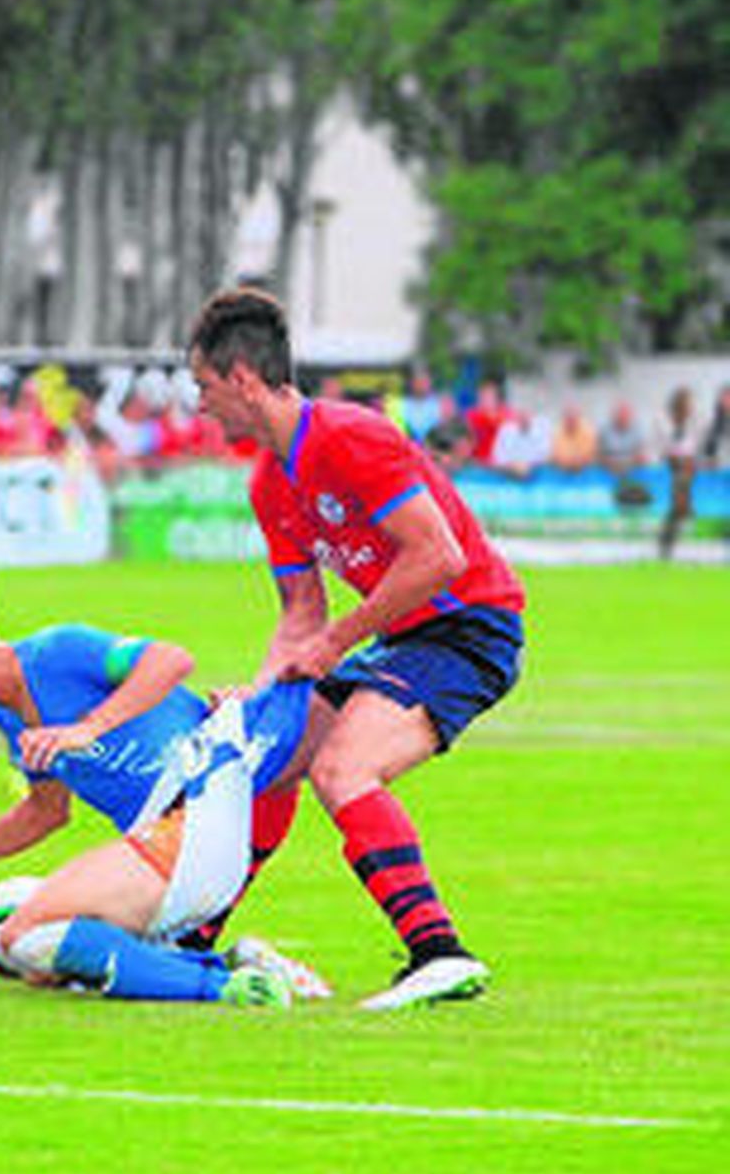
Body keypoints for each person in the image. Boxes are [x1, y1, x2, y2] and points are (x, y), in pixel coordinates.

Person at [188, 288, 524, 1010]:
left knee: (343, 767)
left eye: (205, 388)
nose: (201, 407)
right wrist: (261, 688)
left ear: (243, 380)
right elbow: (301, 612)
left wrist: (339, 641)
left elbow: (439, 558)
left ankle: (440, 952)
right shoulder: (268, 483)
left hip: (471, 626)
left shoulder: (350, 435)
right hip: (404, 635)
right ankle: (190, 939)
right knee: (268, 756)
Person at [0, 593, 328, 1007]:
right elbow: (44, 813)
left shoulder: (56, 652)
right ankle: (235, 965)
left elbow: (170, 660)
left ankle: (224, 988)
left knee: (23, 934)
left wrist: (89, 727)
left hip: (196, 817)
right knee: (36, 952)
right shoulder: (13, 719)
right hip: (173, 848)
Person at [656, 386, 699, 561]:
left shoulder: (692, 423)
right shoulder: (664, 422)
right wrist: (681, 461)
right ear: (680, 405)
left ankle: (666, 541)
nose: (692, 407)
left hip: (687, 468)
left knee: (680, 503)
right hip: (673, 467)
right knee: (679, 499)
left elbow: (693, 447)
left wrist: (690, 461)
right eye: (689, 404)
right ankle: (666, 541)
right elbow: (666, 450)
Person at [550, 402, 598, 473]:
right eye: (568, 418)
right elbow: (556, 455)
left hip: (585, 469)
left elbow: (591, 453)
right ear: (564, 419)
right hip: (562, 470)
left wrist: (579, 460)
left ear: (579, 417)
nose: (571, 421)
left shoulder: (588, 430)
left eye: (574, 418)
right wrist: (569, 461)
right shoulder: (556, 432)